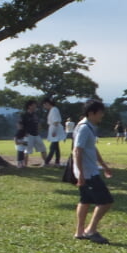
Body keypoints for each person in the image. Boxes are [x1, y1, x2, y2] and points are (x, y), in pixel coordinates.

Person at [73, 99, 114, 244]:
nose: (102, 115)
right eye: (100, 112)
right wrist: (81, 174)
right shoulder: (84, 128)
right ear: (91, 113)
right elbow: (77, 150)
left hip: (88, 171)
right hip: (88, 173)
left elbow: (91, 148)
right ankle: (91, 230)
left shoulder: (87, 126)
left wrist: (103, 165)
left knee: (85, 201)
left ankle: (79, 232)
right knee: (106, 201)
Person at [17, 100, 46, 167]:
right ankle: (25, 165)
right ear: (29, 106)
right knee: (27, 151)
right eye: (34, 105)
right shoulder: (24, 115)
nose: (35, 106)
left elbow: (38, 123)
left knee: (43, 149)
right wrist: (22, 133)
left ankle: (46, 163)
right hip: (28, 135)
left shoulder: (35, 115)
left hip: (36, 134)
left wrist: (39, 129)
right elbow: (19, 124)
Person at [42, 97, 65, 166]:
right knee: (56, 147)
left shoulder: (54, 110)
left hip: (55, 130)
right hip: (54, 129)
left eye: (44, 104)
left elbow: (56, 121)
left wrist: (54, 131)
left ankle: (47, 161)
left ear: (47, 103)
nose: (44, 106)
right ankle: (57, 162)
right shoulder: (53, 109)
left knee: (52, 147)